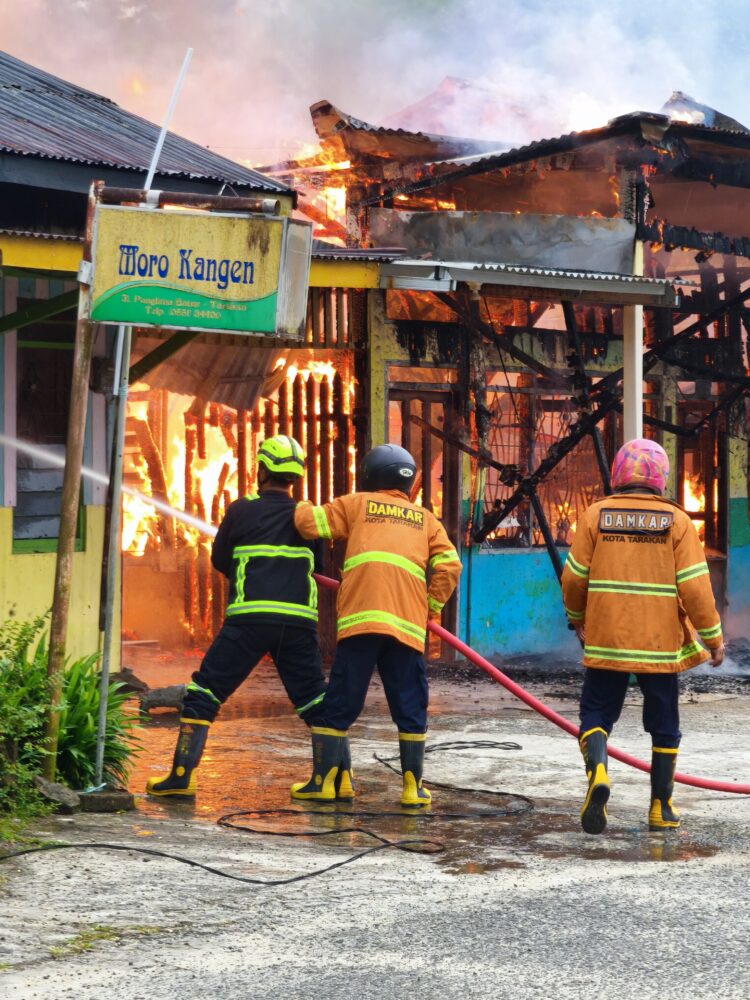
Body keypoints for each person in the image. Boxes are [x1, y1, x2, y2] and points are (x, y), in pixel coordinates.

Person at [146, 435, 347, 798]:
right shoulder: (308, 515)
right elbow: (318, 565)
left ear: (262, 469)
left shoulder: (240, 510)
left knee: (204, 692)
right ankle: (334, 782)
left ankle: (180, 778)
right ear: (295, 477)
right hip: (298, 624)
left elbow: (220, 559)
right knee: (317, 701)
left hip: (248, 621)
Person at [562, 438, 724, 835]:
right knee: (664, 722)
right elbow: (695, 587)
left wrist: (577, 618)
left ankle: (599, 772)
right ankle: (661, 808)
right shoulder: (678, 521)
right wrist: (713, 637)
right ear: (660, 479)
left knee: (596, 713)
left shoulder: (595, 516)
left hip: (606, 640)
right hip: (659, 644)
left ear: (618, 474)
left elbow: (573, 578)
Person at [289, 443, 462, 807]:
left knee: (340, 702)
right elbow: (450, 566)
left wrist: (299, 504)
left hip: (362, 622)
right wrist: (428, 607)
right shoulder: (425, 519)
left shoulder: (356, 504)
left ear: (370, 474)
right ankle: (414, 789)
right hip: (406, 628)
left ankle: (326, 782)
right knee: (410, 706)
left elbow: (308, 525)